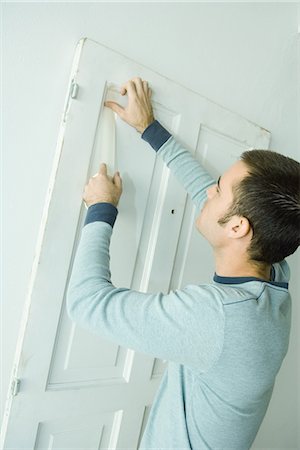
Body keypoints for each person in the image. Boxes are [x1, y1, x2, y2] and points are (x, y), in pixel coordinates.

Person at [66, 77, 299, 449]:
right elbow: (209, 197)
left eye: (219, 188)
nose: (210, 189)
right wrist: (149, 129)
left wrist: (101, 208)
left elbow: (86, 303)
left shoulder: (218, 318)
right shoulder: (273, 276)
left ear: (239, 227)